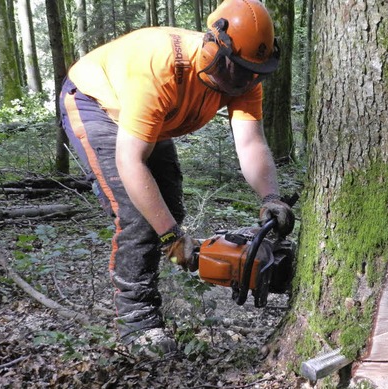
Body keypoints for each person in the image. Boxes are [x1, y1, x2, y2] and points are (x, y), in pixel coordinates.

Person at [59, 0, 294, 355]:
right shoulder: (162, 70)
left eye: (254, 71)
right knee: (140, 216)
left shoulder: (247, 77)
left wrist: (270, 198)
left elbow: (250, 141)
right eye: (238, 69)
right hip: (97, 102)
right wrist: (169, 235)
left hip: (154, 117)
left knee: (169, 208)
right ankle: (136, 323)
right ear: (215, 47)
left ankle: (165, 280)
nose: (245, 80)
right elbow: (131, 162)